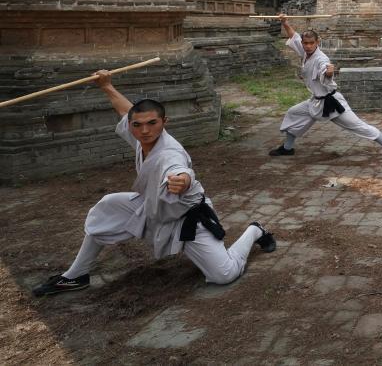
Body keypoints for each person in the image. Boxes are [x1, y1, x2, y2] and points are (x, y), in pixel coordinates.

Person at [32, 71, 276, 296]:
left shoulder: (170, 153)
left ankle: (255, 230)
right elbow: (126, 110)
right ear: (131, 125)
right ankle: (75, 276)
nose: (145, 130)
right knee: (107, 209)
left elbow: (182, 170)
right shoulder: (141, 137)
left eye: (152, 123)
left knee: (225, 275)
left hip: (187, 218)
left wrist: (183, 181)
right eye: (137, 125)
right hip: (154, 207)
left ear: (164, 121)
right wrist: (106, 86)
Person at [269, 14, 382, 161]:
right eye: (305, 43)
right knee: (294, 113)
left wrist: (329, 73)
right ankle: (287, 148)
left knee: (358, 126)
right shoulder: (305, 52)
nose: (308, 46)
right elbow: (294, 36)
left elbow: (326, 71)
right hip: (316, 101)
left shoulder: (321, 58)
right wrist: (285, 22)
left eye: (311, 43)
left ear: (317, 42)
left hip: (331, 103)